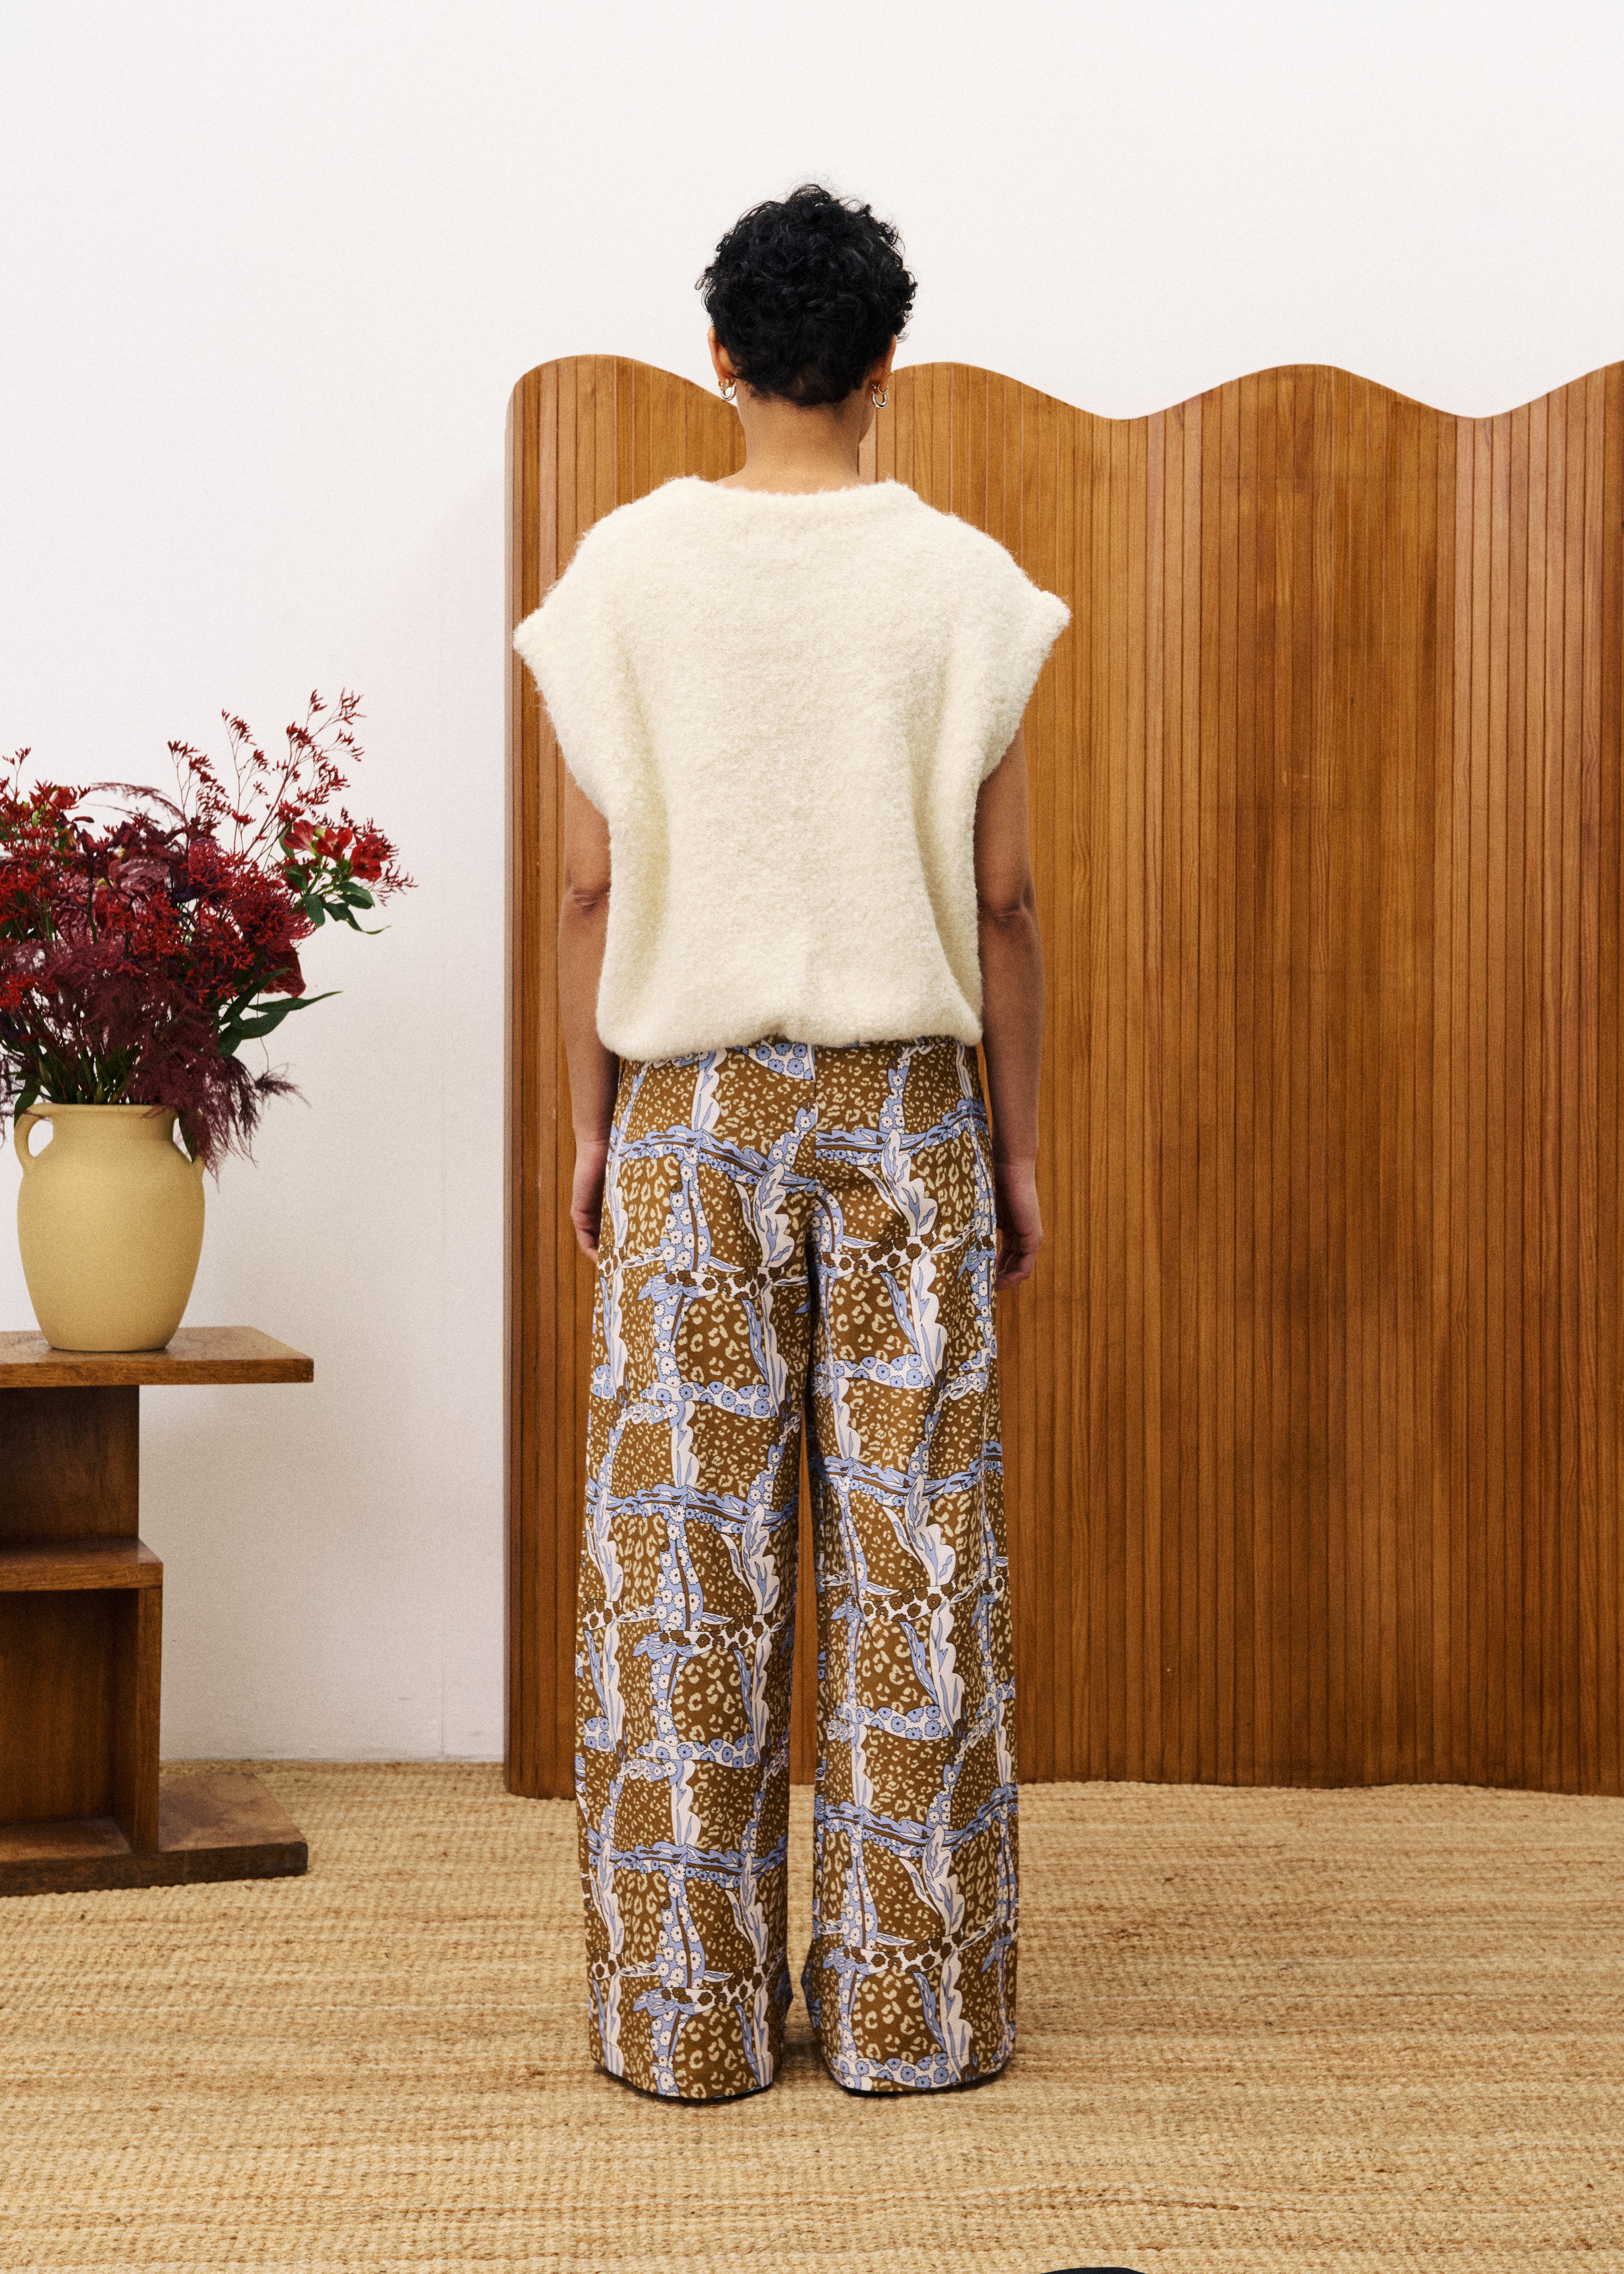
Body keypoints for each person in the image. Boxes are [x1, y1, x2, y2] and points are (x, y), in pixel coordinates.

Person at [512, 180, 1069, 2105]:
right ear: (888, 363)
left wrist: (590, 1126)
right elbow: (1004, 904)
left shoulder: (627, 576)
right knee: (916, 1557)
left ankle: (689, 2018)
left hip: (695, 1110)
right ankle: (918, 2016)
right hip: (909, 1108)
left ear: (721, 356)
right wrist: (1014, 1154)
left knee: (687, 1560)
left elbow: (589, 889)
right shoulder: (964, 586)